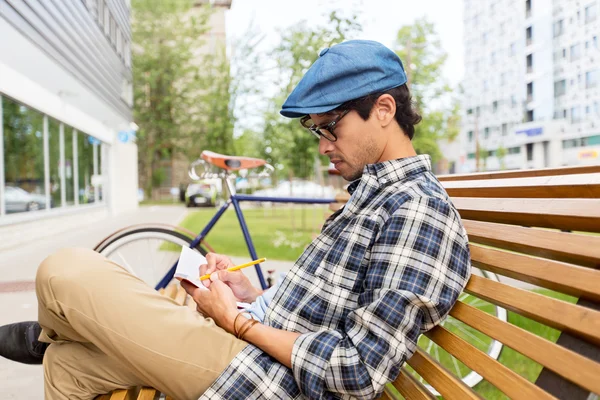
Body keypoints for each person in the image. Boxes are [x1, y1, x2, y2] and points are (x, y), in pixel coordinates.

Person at [0, 40, 471, 400]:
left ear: (384, 110)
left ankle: (54, 328)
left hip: (265, 374)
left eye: (332, 126)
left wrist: (237, 323)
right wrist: (252, 297)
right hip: (248, 343)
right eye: (318, 131)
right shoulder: (372, 196)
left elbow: (359, 370)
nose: (324, 145)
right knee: (66, 365)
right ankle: (60, 336)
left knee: (63, 270)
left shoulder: (417, 212)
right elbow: (321, 312)